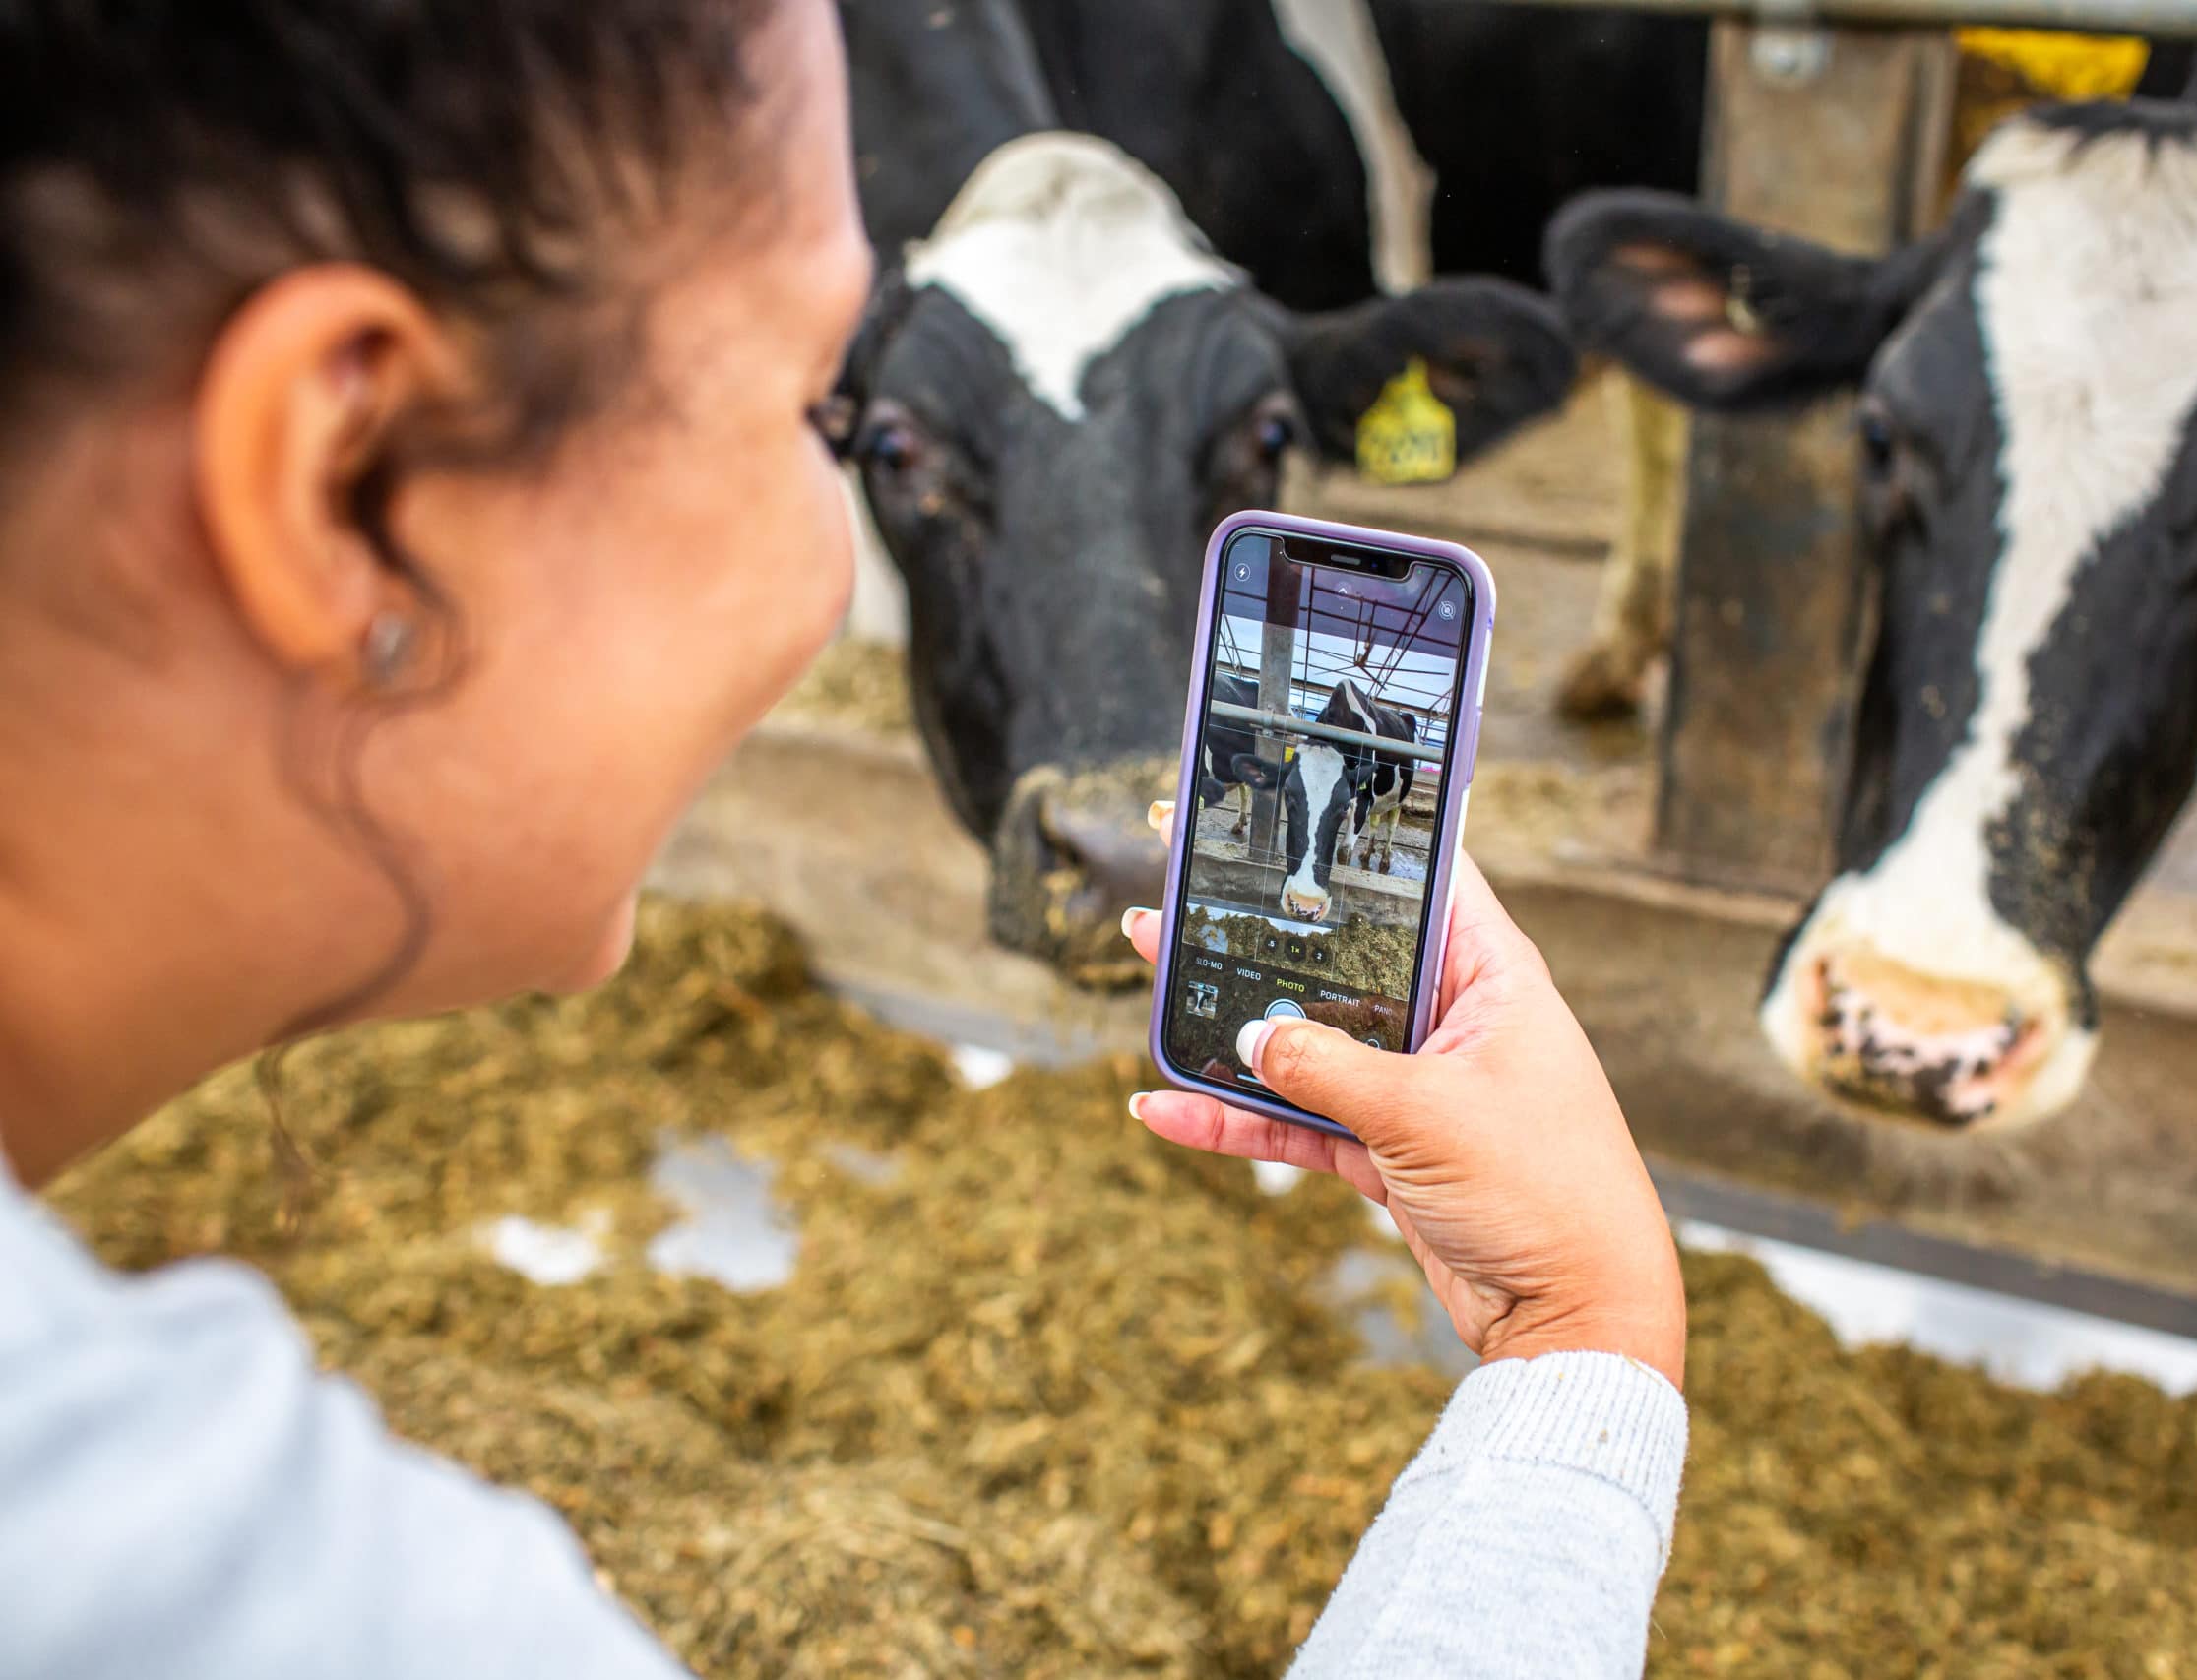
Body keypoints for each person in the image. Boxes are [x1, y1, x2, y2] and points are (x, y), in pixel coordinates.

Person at [0, 3, 1689, 1677]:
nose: (834, 550)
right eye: (819, 408)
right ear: (339, 477)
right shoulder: (227, 1585)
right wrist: (1591, 1343)